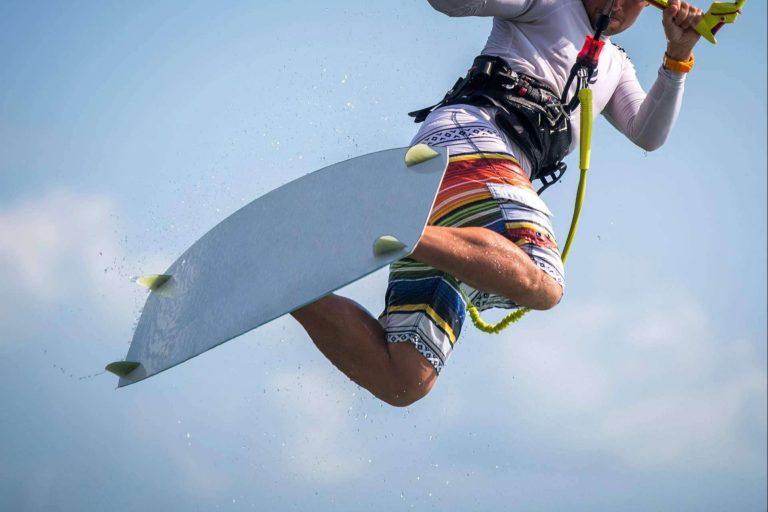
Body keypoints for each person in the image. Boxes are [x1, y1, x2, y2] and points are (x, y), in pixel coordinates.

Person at [291, 0, 704, 406]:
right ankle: (393, 233)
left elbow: (647, 133)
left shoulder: (615, 64)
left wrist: (678, 54)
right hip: (469, 142)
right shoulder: (545, 3)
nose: (619, 3)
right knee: (543, 280)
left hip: (458, 188)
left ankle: (294, 284)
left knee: (405, 376)